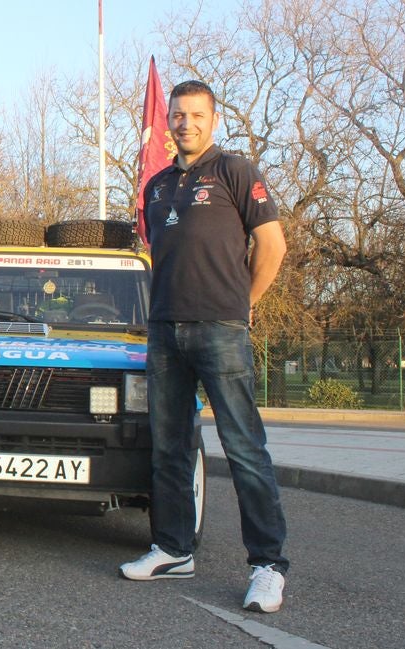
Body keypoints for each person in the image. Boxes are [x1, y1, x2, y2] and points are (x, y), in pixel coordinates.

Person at [119, 80, 290, 614]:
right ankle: (173, 548)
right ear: (167, 122)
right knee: (170, 447)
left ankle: (267, 565)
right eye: (177, 115)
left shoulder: (236, 171)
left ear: (212, 120)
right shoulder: (155, 186)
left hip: (221, 329)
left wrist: (244, 303)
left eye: (196, 114)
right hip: (165, 330)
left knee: (244, 448)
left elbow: (272, 245)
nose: (185, 123)